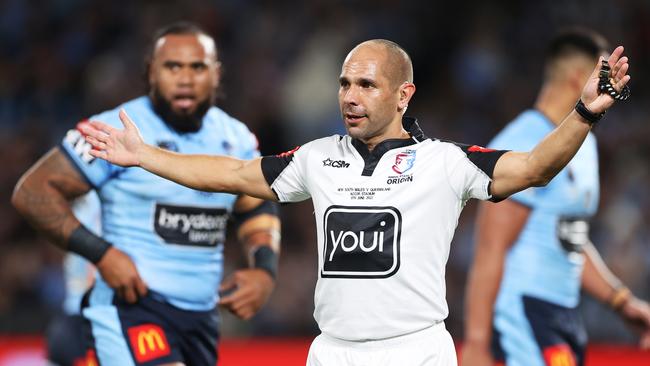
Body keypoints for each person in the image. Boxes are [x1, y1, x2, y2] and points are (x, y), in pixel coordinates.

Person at [80, 38, 631, 366]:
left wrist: (585, 114)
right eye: (344, 83)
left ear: (402, 94)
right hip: (333, 352)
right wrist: (146, 155)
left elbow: (534, 168)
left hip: (415, 352)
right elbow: (230, 174)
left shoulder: (446, 162)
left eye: (366, 84)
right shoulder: (317, 158)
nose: (349, 95)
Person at [12, 21, 281, 366]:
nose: (185, 78)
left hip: (201, 318)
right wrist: (103, 254)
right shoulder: (112, 130)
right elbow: (33, 192)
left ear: (216, 74)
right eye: (172, 67)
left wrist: (264, 269)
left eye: (197, 67)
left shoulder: (237, 137)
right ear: (151, 72)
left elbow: (255, 205)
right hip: (132, 308)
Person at [461, 29, 650, 366]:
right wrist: (476, 342)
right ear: (580, 77)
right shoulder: (522, 140)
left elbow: (567, 238)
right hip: (524, 310)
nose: (616, 82)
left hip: (563, 314)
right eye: (607, 72)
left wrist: (621, 301)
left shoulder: (585, 144)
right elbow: (491, 246)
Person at [46, 192, 101, 366]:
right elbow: (96, 268)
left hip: (69, 317)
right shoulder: (105, 204)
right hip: (91, 322)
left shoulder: (81, 206)